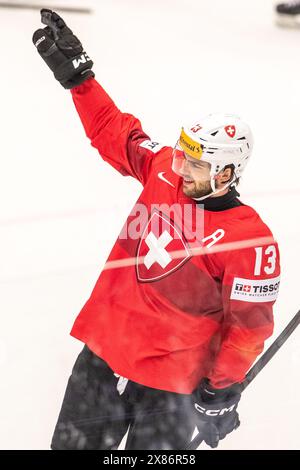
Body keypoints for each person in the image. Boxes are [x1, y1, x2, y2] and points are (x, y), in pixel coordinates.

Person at [33, 10, 281, 450]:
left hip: (171, 388)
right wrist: (80, 81)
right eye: (183, 156)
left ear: (227, 174)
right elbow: (115, 133)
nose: (182, 168)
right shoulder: (165, 170)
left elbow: (248, 330)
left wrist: (220, 391)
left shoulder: (250, 240)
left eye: (197, 165)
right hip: (104, 360)